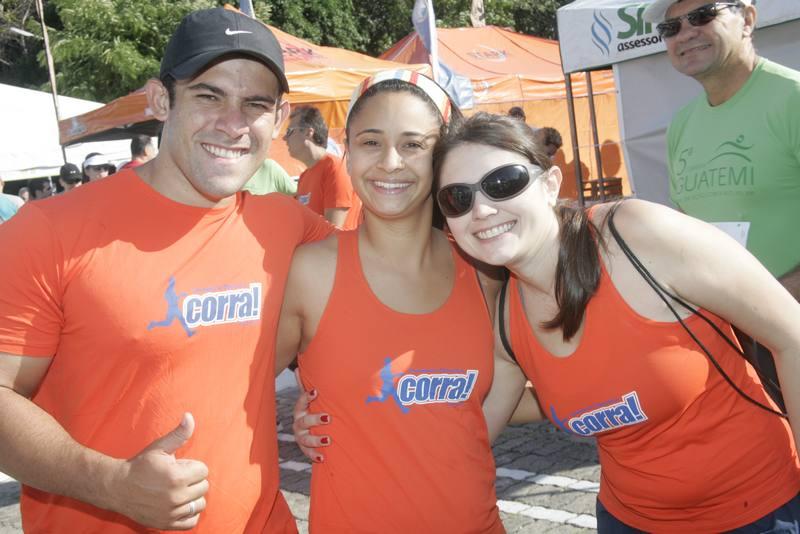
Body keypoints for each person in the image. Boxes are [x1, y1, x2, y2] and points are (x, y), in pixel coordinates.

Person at [0, 7, 333, 533]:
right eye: (208, 96)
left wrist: (326, 390)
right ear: (160, 99)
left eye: (255, 104)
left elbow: (384, 283)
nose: (232, 123)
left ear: (279, 119)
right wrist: (110, 483)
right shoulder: (49, 231)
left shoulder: (288, 225)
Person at [432, 112, 800, 532]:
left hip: (759, 512)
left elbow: (792, 334)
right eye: (457, 198)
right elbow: (468, 428)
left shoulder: (636, 237)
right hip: (629, 520)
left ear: (550, 184)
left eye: (503, 182)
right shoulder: (505, 321)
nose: (481, 209)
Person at [277, 70, 504, 533]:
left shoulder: (485, 269)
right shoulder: (310, 273)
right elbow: (235, 389)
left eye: (413, 144)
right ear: (348, 151)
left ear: (442, 156)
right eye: (371, 142)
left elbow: (494, 394)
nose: (390, 162)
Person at [645, 0, 800, 401]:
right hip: (725, 340)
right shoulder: (682, 123)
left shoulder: (792, 98)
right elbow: (687, 227)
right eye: (671, 28)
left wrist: (775, 299)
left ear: (747, 19)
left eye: (702, 15)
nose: (686, 33)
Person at [284, 105, 361, 229]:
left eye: (289, 131)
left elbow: (333, 231)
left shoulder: (335, 168)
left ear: (308, 132)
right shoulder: (305, 176)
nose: (284, 138)